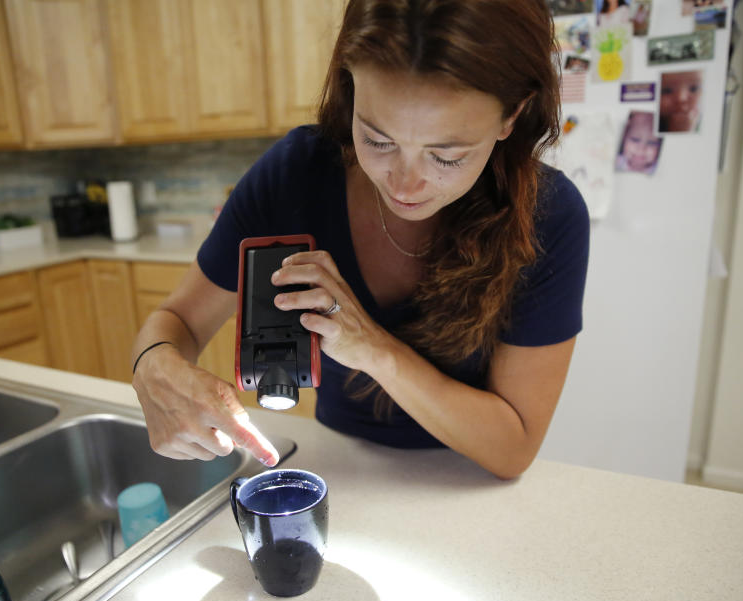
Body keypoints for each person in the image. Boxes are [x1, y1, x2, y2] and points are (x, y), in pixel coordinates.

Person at [130, 0, 590, 480]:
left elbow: (511, 449)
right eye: (378, 140)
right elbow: (176, 321)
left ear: (511, 116)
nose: (404, 186)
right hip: (337, 463)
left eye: (446, 157)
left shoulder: (549, 216)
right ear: (350, 89)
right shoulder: (296, 175)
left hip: (467, 483)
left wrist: (373, 348)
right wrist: (153, 366)